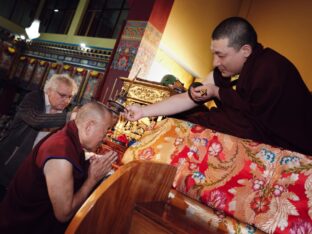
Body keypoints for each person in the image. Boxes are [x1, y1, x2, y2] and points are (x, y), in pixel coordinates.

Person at [125, 17, 312, 156]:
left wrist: (218, 92)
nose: (215, 62)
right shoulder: (222, 73)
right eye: (214, 54)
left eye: (221, 55)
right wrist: (143, 111)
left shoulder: (271, 68)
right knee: (187, 116)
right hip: (251, 125)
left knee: (207, 121)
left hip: (294, 140)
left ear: (245, 50)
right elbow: (187, 98)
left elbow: (255, 120)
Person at [0, 101, 117, 234]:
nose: (105, 137)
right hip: (18, 227)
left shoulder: (69, 136)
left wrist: (90, 164)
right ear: (89, 126)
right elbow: (64, 214)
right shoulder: (60, 153)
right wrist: (92, 179)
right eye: (106, 130)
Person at [0, 74, 78, 196]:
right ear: (49, 90)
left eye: (70, 97)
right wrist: (69, 117)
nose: (67, 101)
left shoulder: (64, 113)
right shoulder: (34, 98)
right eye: (62, 95)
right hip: (10, 162)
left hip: (32, 171)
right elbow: (36, 120)